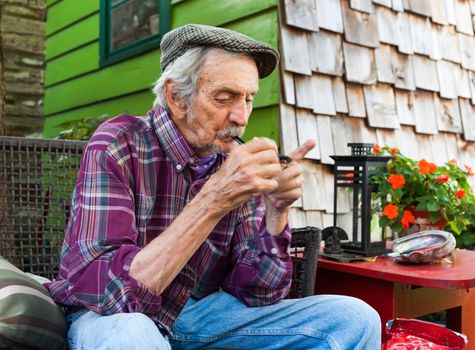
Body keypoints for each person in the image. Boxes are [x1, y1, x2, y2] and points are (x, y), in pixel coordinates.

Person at [46, 24, 381, 349]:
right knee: (130, 336)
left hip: (201, 317)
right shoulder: (120, 144)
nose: (241, 116)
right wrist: (214, 199)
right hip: (110, 316)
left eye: (249, 99)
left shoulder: (233, 159)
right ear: (176, 97)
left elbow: (257, 294)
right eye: (225, 98)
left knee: (355, 317)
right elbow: (106, 291)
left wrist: (275, 211)